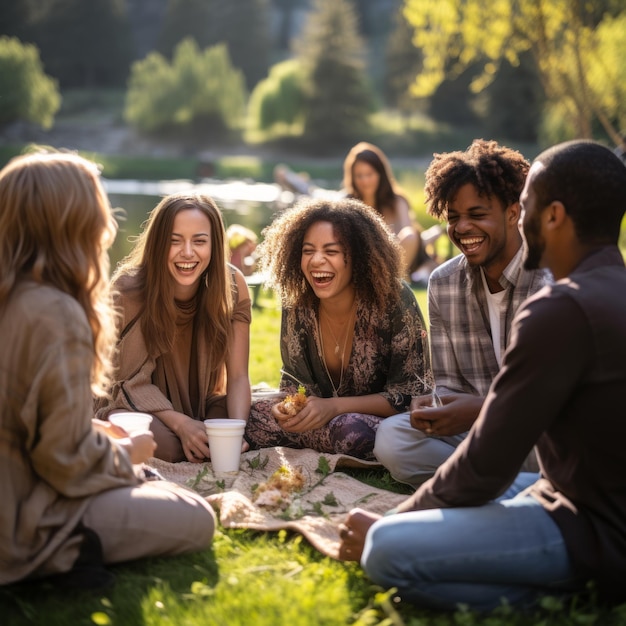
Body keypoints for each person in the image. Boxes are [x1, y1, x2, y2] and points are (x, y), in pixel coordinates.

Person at [338, 139, 626, 610]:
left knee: (387, 550)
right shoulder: (608, 290)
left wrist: (391, 523)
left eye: (526, 205)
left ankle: (568, 598)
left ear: (551, 215)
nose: (522, 216)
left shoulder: (560, 307)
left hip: (592, 530)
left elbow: (484, 468)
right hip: (562, 490)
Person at [0, 150, 216, 589]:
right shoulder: (55, 313)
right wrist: (130, 453)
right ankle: (58, 557)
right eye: (98, 206)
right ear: (72, 221)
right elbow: (62, 460)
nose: (108, 223)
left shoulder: (17, 295)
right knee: (196, 516)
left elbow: (28, 424)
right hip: (22, 518)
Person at [374, 139, 550, 488]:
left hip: (541, 430)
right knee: (392, 438)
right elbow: (449, 382)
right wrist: (436, 405)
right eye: (454, 218)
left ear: (513, 212)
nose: (462, 228)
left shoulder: (548, 280)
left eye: (477, 214)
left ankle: (485, 485)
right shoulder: (444, 283)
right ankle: (509, 488)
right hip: (479, 436)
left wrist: (482, 409)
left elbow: (551, 398)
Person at [244, 197, 431, 460]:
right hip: (321, 420)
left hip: (370, 422)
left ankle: (312, 441)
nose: (316, 260)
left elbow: (410, 395)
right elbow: (295, 383)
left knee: (351, 431)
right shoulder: (297, 302)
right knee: (250, 413)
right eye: (308, 251)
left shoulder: (395, 299)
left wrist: (333, 408)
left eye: (331, 251)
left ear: (359, 258)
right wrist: (287, 409)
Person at [95, 192, 252, 463]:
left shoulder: (232, 285)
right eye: (174, 241)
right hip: (134, 404)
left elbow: (238, 376)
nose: (188, 253)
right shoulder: (129, 290)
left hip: (200, 402)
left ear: (214, 244)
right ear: (157, 244)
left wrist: (234, 435)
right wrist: (180, 424)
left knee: (237, 426)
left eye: (200, 241)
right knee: (165, 447)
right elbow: (126, 384)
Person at [342, 141, 438, 284]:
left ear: (380, 174)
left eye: (369, 174)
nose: (365, 181)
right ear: (352, 177)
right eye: (359, 176)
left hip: (397, 260)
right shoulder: (346, 202)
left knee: (410, 235)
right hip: (363, 261)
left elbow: (409, 236)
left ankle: (392, 283)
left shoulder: (397, 201)